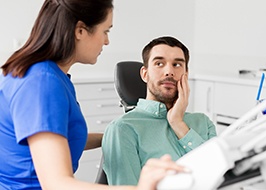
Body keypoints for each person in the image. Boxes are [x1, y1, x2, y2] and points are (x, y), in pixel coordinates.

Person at [0, 1, 186, 189]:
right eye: (105, 31)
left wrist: (117, 134)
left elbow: (60, 137)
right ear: (80, 31)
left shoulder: (53, 76)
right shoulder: (42, 83)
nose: (106, 41)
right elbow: (56, 184)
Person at [102, 36, 217, 185]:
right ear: (145, 74)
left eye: (177, 64)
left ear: (185, 75)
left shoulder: (203, 122)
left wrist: (178, 123)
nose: (169, 71)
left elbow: (220, 174)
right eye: (159, 63)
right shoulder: (123, 129)